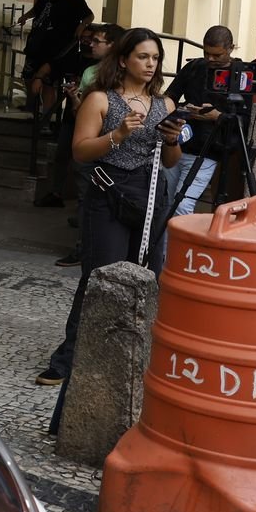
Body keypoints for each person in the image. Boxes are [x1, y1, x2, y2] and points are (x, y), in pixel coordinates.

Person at [36, 28, 185, 389]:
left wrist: (171, 140)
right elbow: (80, 151)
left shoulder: (164, 104)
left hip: (150, 194)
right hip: (108, 192)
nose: (150, 64)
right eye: (142, 57)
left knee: (147, 276)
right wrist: (116, 135)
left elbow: (171, 162)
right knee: (100, 277)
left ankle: (134, 354)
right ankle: (69, 358)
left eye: (155, 58)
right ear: (122, 60)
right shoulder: (100, 99)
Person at [35, 23, 122, 210]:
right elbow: (80, 111)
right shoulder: (89, 71)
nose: (91, 44)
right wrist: (75, 98)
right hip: (84, 131)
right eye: (88, 40)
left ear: (112, 45)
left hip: (114, 140)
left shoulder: (127, 74)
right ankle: (83, 219)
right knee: (82, 171)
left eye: (96, 41)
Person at [164, 25, 242, 216]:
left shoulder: (240, 74)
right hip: (178, 143)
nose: (210, 59)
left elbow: (243, 120)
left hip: (209, 149)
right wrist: (181, 110)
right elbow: (170, 96)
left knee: (182, 205)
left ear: (231, 49)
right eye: (206, 53)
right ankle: (165, 238)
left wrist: (217, 116)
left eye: (217, 55)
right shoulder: (194, 67)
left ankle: (177, 236)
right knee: (166, 202)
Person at [15, 0, 94, 115]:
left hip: (58, 49)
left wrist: (82, 26)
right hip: (37, 45)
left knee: (48, 83)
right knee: (29, 77)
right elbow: (37, 10)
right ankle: (31, 106)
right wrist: (25, 16)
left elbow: (89, 16)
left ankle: (46, 117)